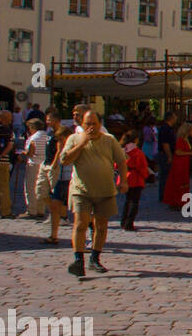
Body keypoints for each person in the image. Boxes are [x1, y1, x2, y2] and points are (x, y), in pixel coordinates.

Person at [61, 110, 127, 277]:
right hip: (81, 189)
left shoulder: (109, 140)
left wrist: (124, 180)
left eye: (94, 124)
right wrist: (82, 143)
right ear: (82, 125)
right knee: (80, 223)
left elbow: (121, 160)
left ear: (100, 124)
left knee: (101, 226)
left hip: (105, 189)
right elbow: (65, 159)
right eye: (87, 124)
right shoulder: (74, 139)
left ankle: (95, 258)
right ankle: (78, 259)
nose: (91, 127)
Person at [41, 113, 71, 245]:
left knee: (80, 211)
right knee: (54, 205)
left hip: (71, 179)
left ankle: (85, 237)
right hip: (61, 178)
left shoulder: (75, 145)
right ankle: (53, 235)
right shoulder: (59, 145)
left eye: (60, 139)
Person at [120, 133, 150, 231]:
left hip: (125, 177)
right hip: (136, 178)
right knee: (134, 202)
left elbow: (116, 164)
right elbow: (142, 167)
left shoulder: (123, 151)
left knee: (127, 201)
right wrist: (146, 176)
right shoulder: (137, 152)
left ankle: (123, 222)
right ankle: (129, 223)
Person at [22, 118, 50, 218]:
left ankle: (32, 210)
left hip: (34, 164)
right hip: (44, 164)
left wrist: (24, 153)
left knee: (30, 187)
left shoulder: (34, 138)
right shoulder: (47, 136)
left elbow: (31, 153)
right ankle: (40, 209)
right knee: (42, 187)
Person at [162, 122, 192, 208]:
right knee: (179, 183)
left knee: (184, 183)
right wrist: (190, 153)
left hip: (184, 164)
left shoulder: (186, 140)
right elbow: (178, 152)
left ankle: (182, 202)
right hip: (180, 165)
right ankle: (177, 202)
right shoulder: (181, 140)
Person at [0, 110, 15, 217]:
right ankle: (6, 212)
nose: (10, 121)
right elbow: (10, 145)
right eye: (9, 119)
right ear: (4, 118)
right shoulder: (6, 129)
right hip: (2, 162)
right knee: (3, 188)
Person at [157, 111, 178, 204]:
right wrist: (169, 156)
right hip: (165, 154)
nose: (176, 118)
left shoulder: (168, 128)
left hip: (166, 154)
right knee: (165, 176)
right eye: (174, 116)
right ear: (171, 118)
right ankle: (163, 195)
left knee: (165, 175)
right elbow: (165, 144)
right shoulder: (165, 129)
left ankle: (165, 194)